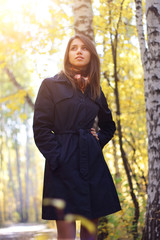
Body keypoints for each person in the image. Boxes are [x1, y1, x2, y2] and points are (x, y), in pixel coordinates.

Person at [33, 34, 121, 240]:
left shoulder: (95, 89)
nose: (79, 51)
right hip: (62, 163)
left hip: (92, 162)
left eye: (84, 48)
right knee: (66, 235)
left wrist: (98, 139)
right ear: (67, 54)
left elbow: (109, 125)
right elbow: (41, 128)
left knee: (90, 234)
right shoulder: (50, 85)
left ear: (91, 55)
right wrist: (57, 157)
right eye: (74, 48)